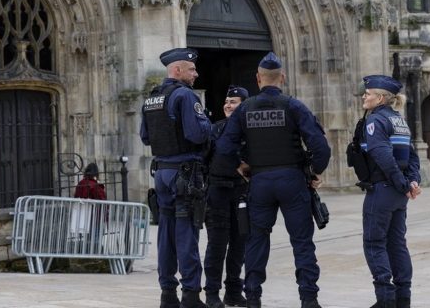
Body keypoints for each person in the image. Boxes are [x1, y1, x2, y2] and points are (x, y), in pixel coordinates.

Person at [215, 52, 332, 308]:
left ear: (258, 79)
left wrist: (241, 166)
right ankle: (309, 299)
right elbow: (321, 147)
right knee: (302, 242)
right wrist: (313, 172)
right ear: (283, 78)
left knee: (257, 240)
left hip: (260, 181)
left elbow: (223, 147)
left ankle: (254, 298)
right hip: (292, 180)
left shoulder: (245, 108)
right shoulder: (294, 106)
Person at [141, 47, 213, 308]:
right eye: (192, 69)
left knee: (166, 235)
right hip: (185, 174)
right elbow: (196, 135)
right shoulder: (184, 96)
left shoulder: (152, 98)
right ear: (177, 70)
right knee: (186, 234)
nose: (196, 74)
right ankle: (191, 296)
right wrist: (208, 125)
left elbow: (145, 137)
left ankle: (167, 295)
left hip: (161, 173)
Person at [359, 75, 422, 308]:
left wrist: (405, 184)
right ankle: (403, 298)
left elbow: (381, 155)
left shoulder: (375, 120)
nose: (364, 96)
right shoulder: (399, 121)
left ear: (381, 98)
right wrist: (412, 182)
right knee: (397, 243)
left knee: (374, 243)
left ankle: (385, 300)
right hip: (398, 193)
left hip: (383, 190)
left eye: (368, 93)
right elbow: (413, 157)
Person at [204, 85, 250, 308]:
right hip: (218, 191)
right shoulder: (215, 130)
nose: (228, 105)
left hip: (243, 192)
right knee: (217, 244)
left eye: (234, 101)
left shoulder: (252, 130)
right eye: (226, 101)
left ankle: (233, 291)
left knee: (239, 244)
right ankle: (212, 292)